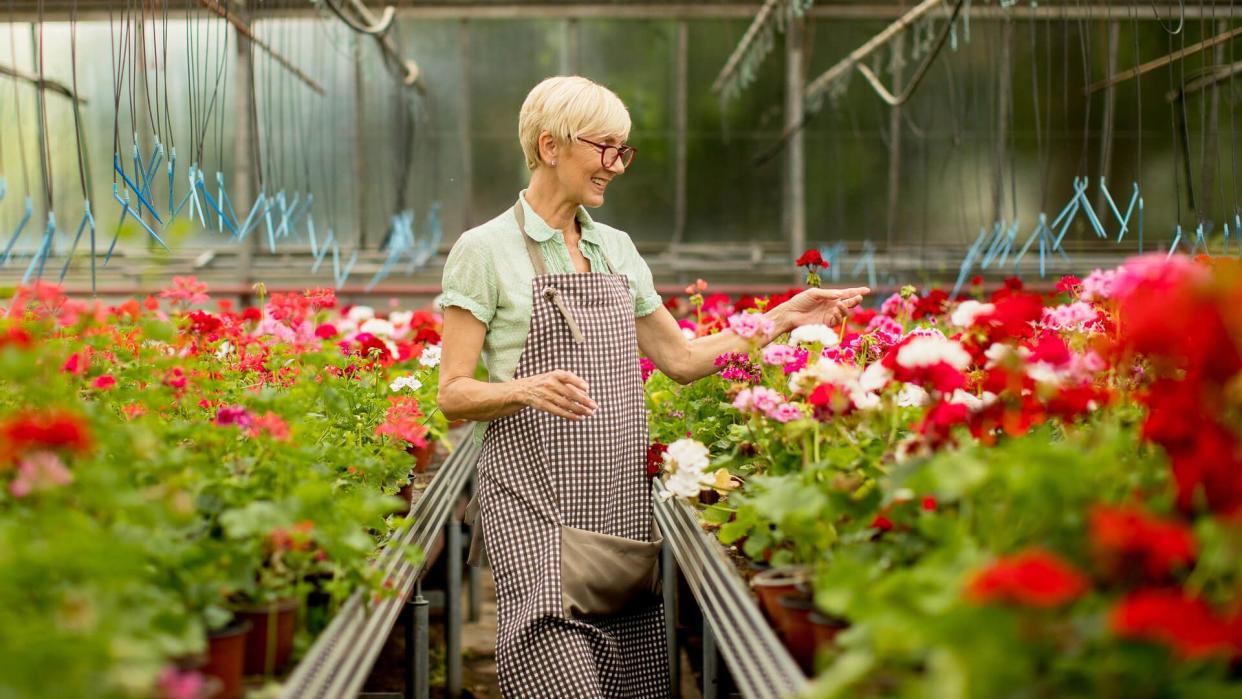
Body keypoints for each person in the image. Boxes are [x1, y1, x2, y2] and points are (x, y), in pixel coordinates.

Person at [437, 75, 868, 698]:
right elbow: (452, 393)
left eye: (623, 150)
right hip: (533, 503)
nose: (615, 165)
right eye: (604, 147)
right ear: (551, 146)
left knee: (629, 679)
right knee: (557, 674)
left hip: (618, 502)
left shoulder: (616, 250)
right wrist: (524, 389)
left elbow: (683, 358)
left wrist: (783, 318)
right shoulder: (484, 250)